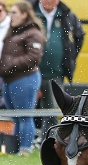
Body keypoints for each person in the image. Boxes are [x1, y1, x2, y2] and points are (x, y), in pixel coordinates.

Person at [30, 0, 83, 140]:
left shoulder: (67, 15)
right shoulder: (30, 11)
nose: (49, 1)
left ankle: (49, 141)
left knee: (52, 111)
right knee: (24, 110)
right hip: (28, 72)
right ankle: (23, 145)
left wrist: (69, 57)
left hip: (55, 73)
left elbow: (80, 36)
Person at [0, 1, 43, 155]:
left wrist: (10, 64)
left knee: (25, 116)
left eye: (14, 13)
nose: (11, 16)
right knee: (16, 118)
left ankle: (25, 149)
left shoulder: (33, 33)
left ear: (25, 14)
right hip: (10, 79)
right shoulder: (15, 31)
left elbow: (34, 57)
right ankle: (16, 149)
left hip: (25, 78)